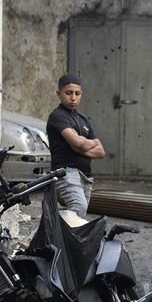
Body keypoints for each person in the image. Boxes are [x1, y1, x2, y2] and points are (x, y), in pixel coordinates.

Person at [46, 73, 105, 217]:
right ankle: (57, 234)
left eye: (77, 94)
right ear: (59, 94)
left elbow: (101, 151)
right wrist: (83, 143)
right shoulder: (58, 116)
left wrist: (81, 146)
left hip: (86, 176)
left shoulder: (83, 120)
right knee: (78, 206)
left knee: (80, 215)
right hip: (67, 172)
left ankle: (62, 238)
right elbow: (77, 142)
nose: (73, 98)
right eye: (68, 93)